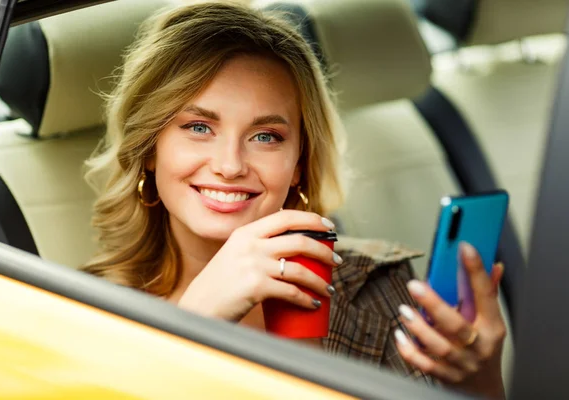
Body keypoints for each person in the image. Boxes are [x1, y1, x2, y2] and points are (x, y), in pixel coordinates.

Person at [82, 2, 507, 399]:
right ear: (149, 148)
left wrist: (479, 380)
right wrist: (189, 325)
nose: (230, 166)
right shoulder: (76, 308)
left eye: (266, 136)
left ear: (299, 163)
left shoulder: (370, 286)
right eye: (198, 127)